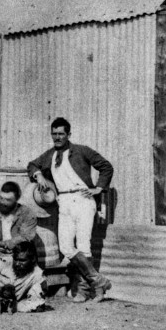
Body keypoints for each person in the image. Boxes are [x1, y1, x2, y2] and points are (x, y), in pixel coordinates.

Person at [27, 117, 113, 302]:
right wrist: (39, 174)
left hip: (83, 200)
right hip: (64, 202)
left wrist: (98, 188)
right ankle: (99, 281)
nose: (57, 137)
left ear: (68, 134)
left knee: (83, 245)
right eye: (54, 134)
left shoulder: (81, 151)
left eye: (61, 134)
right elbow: (32, 165)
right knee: (65, 247)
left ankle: (83, 290)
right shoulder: (50, 155)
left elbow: (106, 167)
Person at [0, 181, 38, 268]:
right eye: (1, 198)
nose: (3, 203)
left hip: (18, 254)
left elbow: (25, 238)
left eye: (8, 200)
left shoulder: (27, 214)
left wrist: (0, 243)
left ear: (17, 199)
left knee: (26, 253)